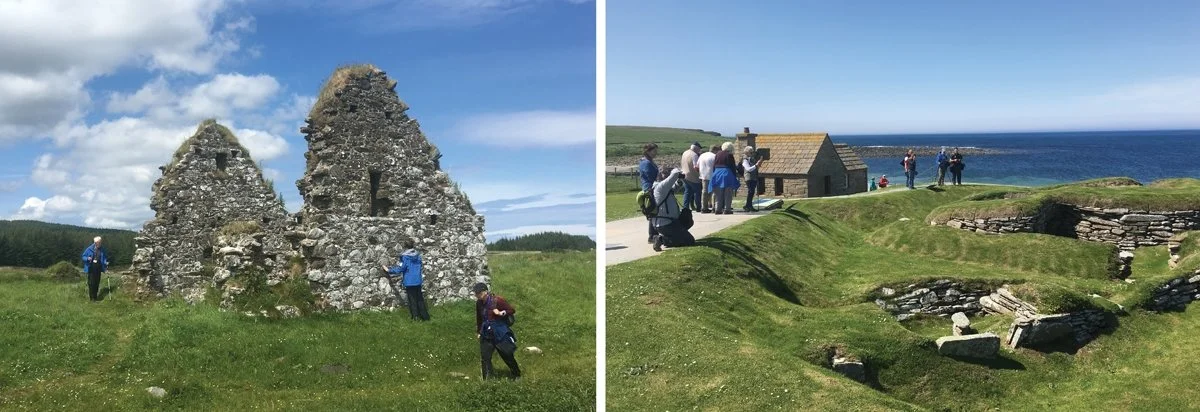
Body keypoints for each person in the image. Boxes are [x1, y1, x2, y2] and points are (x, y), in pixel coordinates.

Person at [474, 283, 520, 380]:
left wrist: (500, 313)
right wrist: (478, 331)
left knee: (507, 354)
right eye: (476, 293)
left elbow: (511, 310)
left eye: (479, 293)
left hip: (499, 331)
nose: (477, 295)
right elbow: (479, 318)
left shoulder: (497, 300)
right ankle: (487, 379)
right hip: (486, 332)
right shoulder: (478, 303)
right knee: (485, 357)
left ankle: (516, 374)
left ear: (485, 292)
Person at [381, 240, 429, 321]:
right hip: (418, 280)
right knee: (420, 299)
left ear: (405, 247)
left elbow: (401, 268)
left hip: (410, 281)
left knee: (412, 300)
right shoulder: (418, 255)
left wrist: (389, 270)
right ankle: (425, 316)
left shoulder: (405, 257)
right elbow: (420, 265)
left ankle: (415, 317)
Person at [650, 168, 696, 252]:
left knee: (687, 220)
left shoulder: (661, 188)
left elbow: (674, 187)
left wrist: (679, 181)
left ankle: (674, 236)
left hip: (667, 222)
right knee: (689, 240)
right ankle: (661, 239)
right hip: (666, 224)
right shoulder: (660, 187)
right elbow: (674, 174)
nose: (667, 176)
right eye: (665, 174)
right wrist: (677, 170)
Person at [708, 142, 740, 214]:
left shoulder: (717, 154)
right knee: (728, 193)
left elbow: (714, 165)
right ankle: (727, 209)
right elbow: (732, 167)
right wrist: (734, 177)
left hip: (716, 173)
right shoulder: (729, 155)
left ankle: (718, 209)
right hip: (727, 174)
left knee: (718, 194)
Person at [638, 143, 660, 243]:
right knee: (653, 211)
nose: (656, 153)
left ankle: (655, 234)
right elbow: (650, 176)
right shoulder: (646, 163)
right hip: (650, 188)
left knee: (655, 211)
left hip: (652, 187)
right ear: (648, 151)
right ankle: (652, 236)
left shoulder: (648, 161)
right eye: (654, 151)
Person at [80, 236, 109, 302]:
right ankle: (91, 298)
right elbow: (83, 256)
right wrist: (87, 258)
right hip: (91, 268)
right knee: (91, 283)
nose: (100, 244)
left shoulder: (102, 249)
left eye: (100, 242)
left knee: (97, 282)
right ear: (95, 243)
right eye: (99, 242)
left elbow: (104, 258)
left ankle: (95, 298)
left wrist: (105, 262)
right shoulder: (89, 249)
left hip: (98, 268)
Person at [680, 142, 702, 212]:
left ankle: (685, 207)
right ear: (696, 148)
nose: (699, 151)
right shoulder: (694, 155)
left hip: (684, 175)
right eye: (699, 149)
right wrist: (700, 172)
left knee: (687, 191)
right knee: (697, 192)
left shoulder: (685, 152)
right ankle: (698, 207)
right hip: (693, 176)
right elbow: (696, 166)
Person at [741, 146, 764, 212]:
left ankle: (749, 206)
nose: (752, 153)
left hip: (753, 177)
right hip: (749, 177)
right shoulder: (745, 159)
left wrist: (759, 163)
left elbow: (755, 168)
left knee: (752, 192)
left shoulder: (750, 159)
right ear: (747, 152)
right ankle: (748, 206)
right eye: (751, 152)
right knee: (751, 192)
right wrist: (756, 165)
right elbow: (748, 169)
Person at [697, 144, 718, 213]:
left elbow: (697, 166)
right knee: (714, 192)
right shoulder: (714, 156)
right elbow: (716, 166)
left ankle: (704, 207)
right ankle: (714, 207)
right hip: (712, 175)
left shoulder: (702, 155)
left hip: (703, 175)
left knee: (705, 192)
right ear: (715, 150)